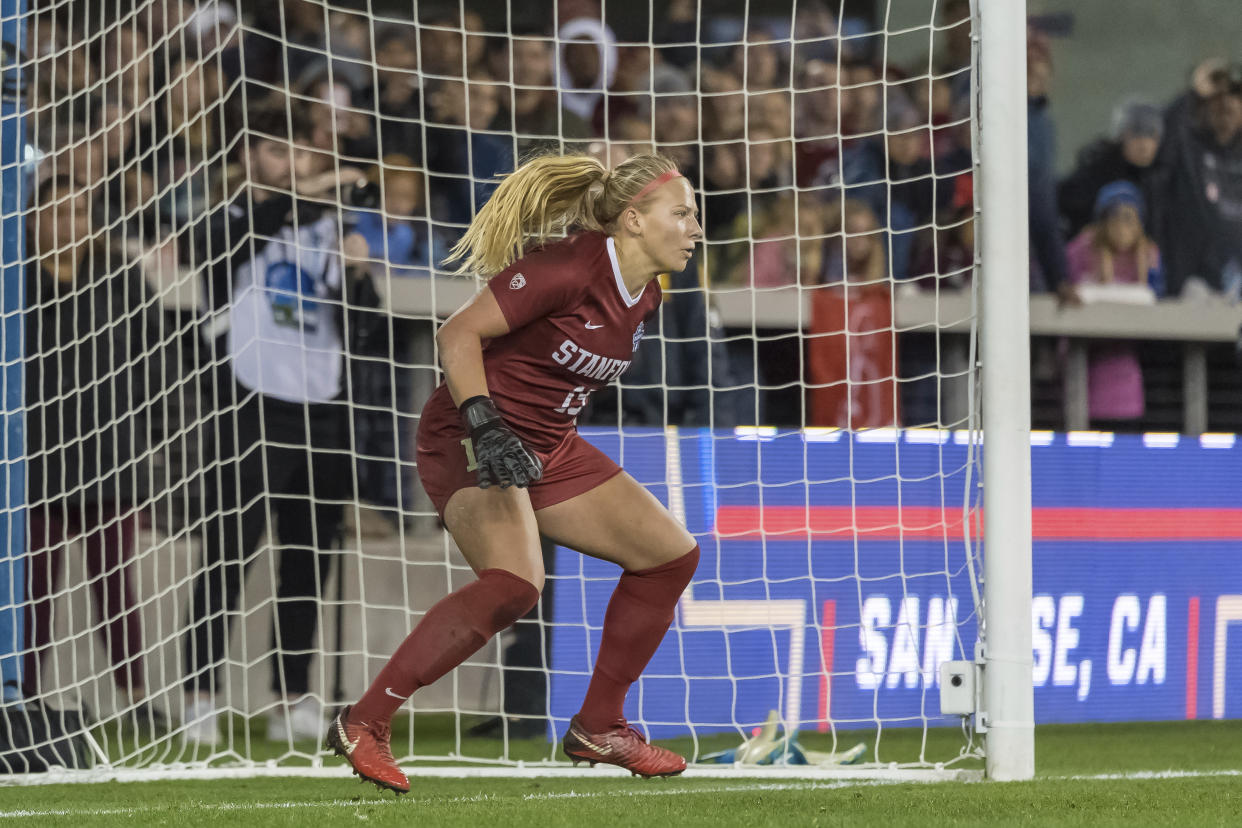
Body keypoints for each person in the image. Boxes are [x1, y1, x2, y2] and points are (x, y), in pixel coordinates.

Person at [326, 152, 703, 793]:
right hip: (470, 435)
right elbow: (456, 336)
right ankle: (365, 721)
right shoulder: (566, 267)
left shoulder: (649, 296)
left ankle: (599, 725)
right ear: (634, 221)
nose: (696, 227)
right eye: (683, 212)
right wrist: (485, 420)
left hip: (547, 445)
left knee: (670, 557)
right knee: (514, 585)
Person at [180, 99, 384, 746]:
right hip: (249, 402)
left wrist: (356, 272)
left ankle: (291, 694)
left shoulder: (327, 229)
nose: (292, 164)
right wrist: (312, 195)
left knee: (309, 557)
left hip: (320, 404)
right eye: (277, 151)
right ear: (247, 158)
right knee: (229, 555)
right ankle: (199, 694)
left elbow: (367, 325)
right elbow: (239, 238)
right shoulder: (228, 220)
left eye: (301, 152)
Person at [22, 176, 167, 729]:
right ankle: (23, 697)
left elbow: (154, 359)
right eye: (56, 213)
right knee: (32, 590)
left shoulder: (120, 278)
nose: (68, 224)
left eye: (78, 212)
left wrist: (144, 430)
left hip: (108, 455)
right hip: (32, 462)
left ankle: (135, 700)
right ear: (32, 221)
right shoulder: (16, 283)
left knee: (115, 586)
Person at [1063, 180, 1165, 425]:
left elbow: (1156, 295)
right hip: (1081, 365)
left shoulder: (1148, 254)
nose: (1122, 226)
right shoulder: (1082, 249)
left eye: (1129, 218)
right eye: (1115, 217)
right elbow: (1065, 286)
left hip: (1127, 369)